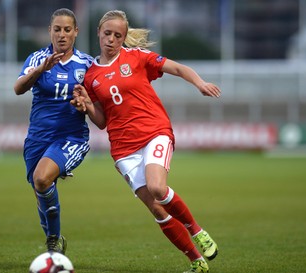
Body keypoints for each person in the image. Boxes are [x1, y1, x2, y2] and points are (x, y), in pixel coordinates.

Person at [71, 10, 220, 273]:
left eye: (118, 35)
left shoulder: (137, 58)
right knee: (158, 211)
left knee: (157, 188)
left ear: (124, 38)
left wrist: (199, 82)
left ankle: (197, 230)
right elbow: (102, 121)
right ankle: (197, 261)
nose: (112, 39)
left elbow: (177, 67)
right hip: (123, 149)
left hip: (154, 132)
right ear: (98, 33)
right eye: (108, 33)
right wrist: (86, 107)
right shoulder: (91, 76)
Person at [13, 8, 93, 254]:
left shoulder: (87, 64)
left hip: (70, 136)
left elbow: (98, 105)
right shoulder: (37, 59)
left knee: (41, 177)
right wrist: (40, 71)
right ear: (49, 31)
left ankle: (53, 243)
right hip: (37, 138)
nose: (62, 34)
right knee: (41, 189)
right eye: (57, 29)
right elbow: (18, 88)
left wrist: (85, 103)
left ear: (76, 32)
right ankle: (54, 240)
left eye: (67, 29)